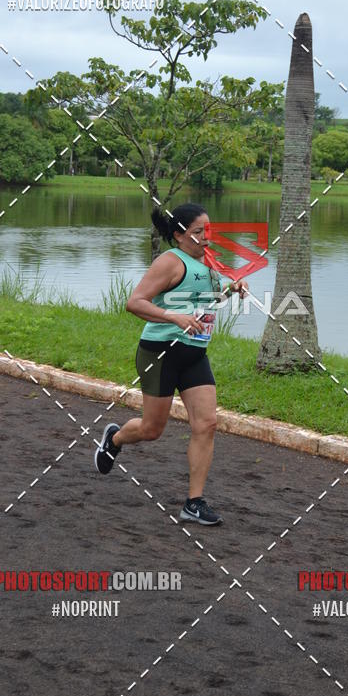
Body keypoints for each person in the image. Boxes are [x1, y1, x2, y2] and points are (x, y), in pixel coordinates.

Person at [94, 203, 248, 525]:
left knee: (206, 424)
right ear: (179, 235)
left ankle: (194, 503)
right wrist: (172, 316)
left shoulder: (207, 265)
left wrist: (230, 291)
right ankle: (115, 439)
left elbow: (204, 304)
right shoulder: (170, 262)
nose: (206, 237)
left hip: (194, 355)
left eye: (209, 231)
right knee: (152, 430)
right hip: (160, 352)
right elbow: (134, 303)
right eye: (198, 232)